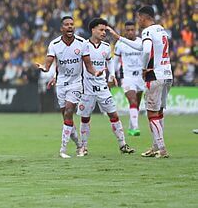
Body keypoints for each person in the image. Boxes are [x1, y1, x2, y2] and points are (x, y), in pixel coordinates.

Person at [108, 6, 173, 158]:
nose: (138, 21)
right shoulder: (161, 30)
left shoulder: (147, 31)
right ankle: (156, 146)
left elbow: (145, 50)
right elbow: (141, 46)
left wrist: (145, 68)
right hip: (167, 73)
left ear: (144, 17)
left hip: (154, 74)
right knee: (159, 111)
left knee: (151, 113)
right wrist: (119, 38)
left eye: (138, 18)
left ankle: (162, 149)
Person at [37, 16, 103, 159]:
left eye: (72, 24)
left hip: (76, 84)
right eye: (66, 25)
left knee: (68, 111)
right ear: (62, 28)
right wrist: (44, 68)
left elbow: (88, 65)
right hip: (61, 85)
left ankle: (63, 149)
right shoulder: (54, 44)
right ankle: (80, 146)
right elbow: (48, 65)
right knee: (67, 118)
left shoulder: (82, 43)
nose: (70, 27)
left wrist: (96, 72)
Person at [75, 18, 135, 156]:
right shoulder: (83, 45)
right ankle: (83, 147)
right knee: (85, 118)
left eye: (105, 30)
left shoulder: (106, 46)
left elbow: (110, 62)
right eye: (101, 30)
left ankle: (123, 145)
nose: (104, 33)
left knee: (113, 115)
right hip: (87, 89)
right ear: (93, 30)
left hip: (102, 88)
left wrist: (112, 75)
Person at [112, 21, 145, 136]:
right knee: (133, 100)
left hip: (140, 77)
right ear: (125, 31)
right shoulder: (120, 44)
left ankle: (131, 127)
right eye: (128, 30)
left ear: (135, 30)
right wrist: (112, 75)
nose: (130, 32)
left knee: (137, 104)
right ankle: (136, 127)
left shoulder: (141, 42)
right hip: (127, 77)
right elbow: (115, 62)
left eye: (132, 30)